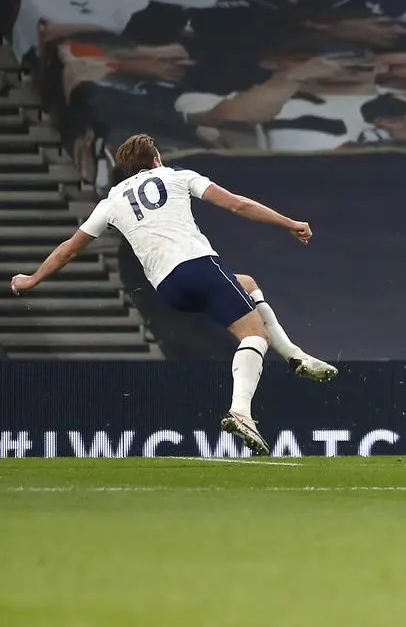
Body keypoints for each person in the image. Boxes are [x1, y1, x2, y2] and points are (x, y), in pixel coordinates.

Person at [8, 134, 336, 456]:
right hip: (199, 265)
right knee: (254, 336)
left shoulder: (111, 202)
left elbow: (68, 250)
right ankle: (241, 412)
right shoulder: (178, 177)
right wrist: (289, 222)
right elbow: (238, 204)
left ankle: (295, 356)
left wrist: (32, 279)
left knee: (246, 284)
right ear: (156, 159)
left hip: (167, 288)